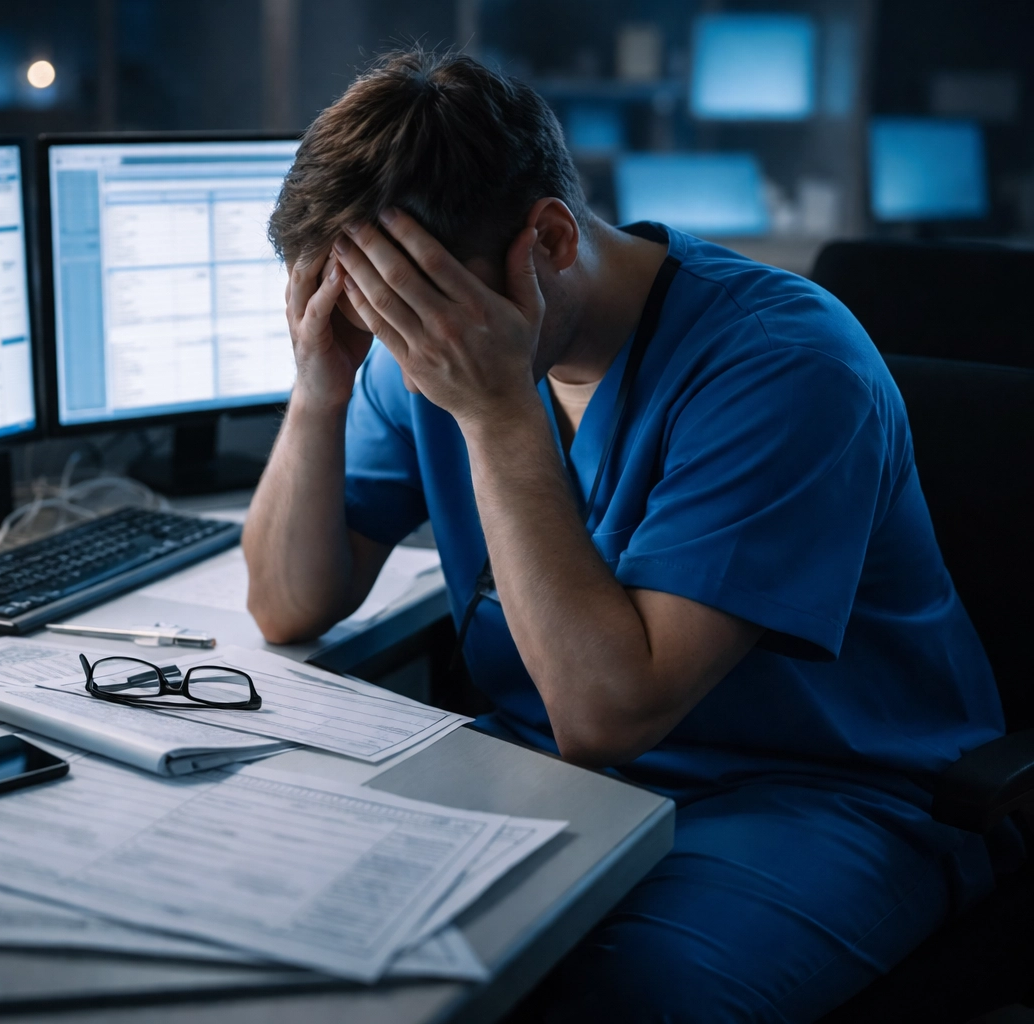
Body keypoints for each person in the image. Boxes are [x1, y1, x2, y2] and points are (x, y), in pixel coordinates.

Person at [242, 49, 1019, 1022]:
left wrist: (496, 414)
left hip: (819, 795)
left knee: (603, 999)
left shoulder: (782, 368)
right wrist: (320, 384)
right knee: (301, 925)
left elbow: (610, 714)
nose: (400, 344)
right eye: (373, 308)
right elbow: (290, 602)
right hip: (547, 773)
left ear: (553, 239)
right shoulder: (434, 347)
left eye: (414, 307)